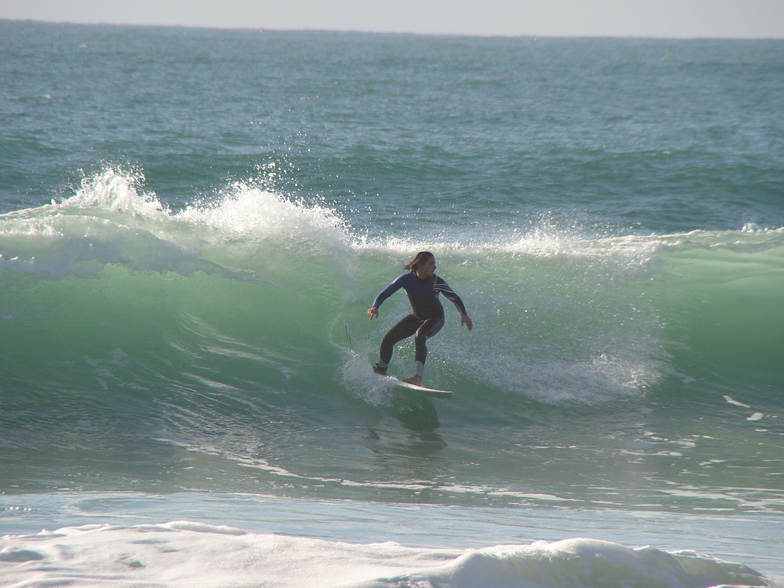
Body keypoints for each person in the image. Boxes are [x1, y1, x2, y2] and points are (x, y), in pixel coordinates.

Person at [367, 251, 473, 386]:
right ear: (420, 265)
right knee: (389, 338)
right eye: (431, 264)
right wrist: (375, 306)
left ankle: (417, 378)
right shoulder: (406, 279)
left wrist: (464, 314)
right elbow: (384, 294)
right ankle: (381, 369)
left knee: (420, 335)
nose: (434, 267)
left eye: (434, 264)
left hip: (435, 318)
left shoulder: (436, 282)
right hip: (417, 316)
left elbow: (454, 298)